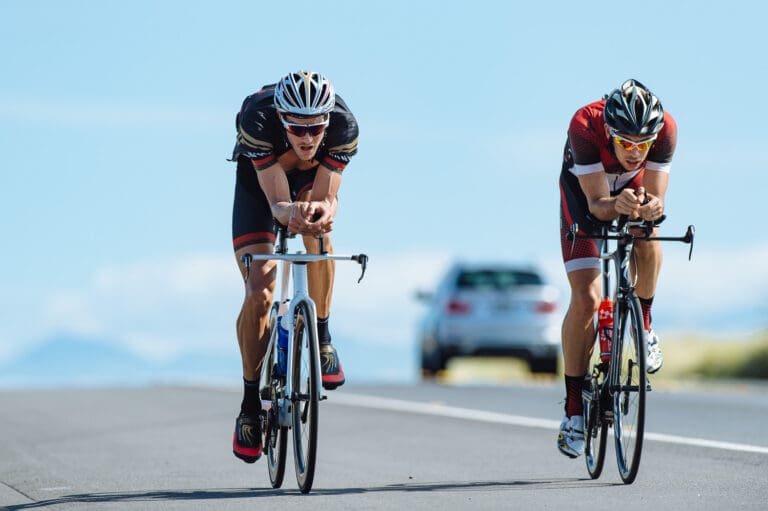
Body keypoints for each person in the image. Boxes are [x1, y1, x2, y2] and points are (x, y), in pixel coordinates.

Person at [229, 70, 359, 463]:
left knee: (318, 236)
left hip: (307, 182)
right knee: (259, 291)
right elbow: (276, 202)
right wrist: (289, 212)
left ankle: (321, 336)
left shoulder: (344, 127)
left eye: (315, 129)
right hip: (262, 183)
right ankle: (250, 405)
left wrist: (322, 211)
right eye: (298, 129)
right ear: (282, 120)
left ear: (328, 121)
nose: (307, 138)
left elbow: (326, 196)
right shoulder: (257, 118)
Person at [556, 79, 677, 458]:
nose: (634, 151)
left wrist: (650, 208)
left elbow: (656, 195)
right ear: (610, 132)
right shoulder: (585, 126)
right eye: (626, 143)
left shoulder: (667, 130)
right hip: (584, 192)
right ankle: (574, 409)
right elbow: (596, 205)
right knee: (588, 299)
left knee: (649, 233)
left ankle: (643, 322)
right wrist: (615, 204)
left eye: (643, 145)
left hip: (630, 189)